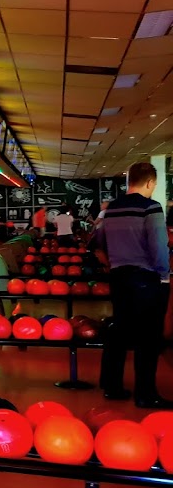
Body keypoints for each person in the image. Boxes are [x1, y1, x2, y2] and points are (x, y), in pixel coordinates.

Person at [93, 162, 172, 408]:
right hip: (146, 279)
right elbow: (158, 246)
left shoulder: (111, 209)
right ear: (150, 182)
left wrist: (113, 265)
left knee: (120, 330)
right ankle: (145, 395)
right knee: (148, 338)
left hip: (119, 278)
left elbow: (98, 243)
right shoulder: (151, 207)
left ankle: (112, 386)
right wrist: (164, 275)